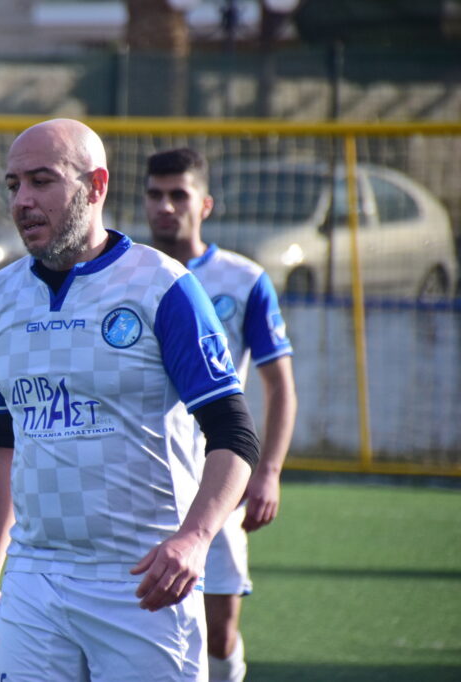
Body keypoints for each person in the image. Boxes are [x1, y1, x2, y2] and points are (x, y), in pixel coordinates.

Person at [0, 119, 261, 681]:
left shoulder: (163, 286)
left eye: (41, 181)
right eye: (13, 185)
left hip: (143, 580)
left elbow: (235, 434)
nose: (23, 200)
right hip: (35, 577)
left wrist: (194, 540)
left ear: (96, 185)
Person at [144, 148, 297, 682]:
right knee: (140, 622)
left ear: (204, 204)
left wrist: (268, 472)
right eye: (155, 195)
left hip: (218, 474)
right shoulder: (126, 274)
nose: (166, 206)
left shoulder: (244, 279)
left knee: (219, 631)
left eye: (178, 195)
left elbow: (279, 386)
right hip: (146, 476)